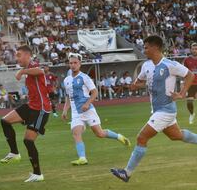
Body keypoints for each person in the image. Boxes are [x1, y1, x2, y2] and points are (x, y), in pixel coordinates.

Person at [111, 35, 197, 182]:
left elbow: (189, 75)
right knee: (176, 135)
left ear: (155, 47)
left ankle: (127, 173)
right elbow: (141, 82)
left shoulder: (170, 64)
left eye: (146, 47)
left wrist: (182, 93)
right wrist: (134, 85)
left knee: (141, 137)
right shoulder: (146, 65)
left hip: (166, 110)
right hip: (157, 110)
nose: (144, 50)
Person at [62, 56, 131, 166]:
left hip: (88, 110)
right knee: (76, 133)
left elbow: (94, 92)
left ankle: (119, 137)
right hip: (76, 113)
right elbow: (68, 97)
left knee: (99, 133)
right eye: (71, 63)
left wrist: (87, 103)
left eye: (75, 62)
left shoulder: (85, 78)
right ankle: (82, 158)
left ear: (79, 64)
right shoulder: (66, 80)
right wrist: (65, 110)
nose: (73, 65)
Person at [0, 45, 51, 182]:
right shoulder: (28, 69)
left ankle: (38, 174)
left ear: (27, 55)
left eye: (19, 55)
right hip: (31, 106)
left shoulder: (34, 65)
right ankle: (14, 152)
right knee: (4, 121)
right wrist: (24, 71)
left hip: (41, 110)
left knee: (28, 141)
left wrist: (22, 71)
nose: (17, 58)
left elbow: (40, 70)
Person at [183, 42, 197, 124]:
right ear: (190, 49)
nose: (195, 50)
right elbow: (184, 72)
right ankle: (192, 114)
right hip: (192, 83)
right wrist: (183, 82)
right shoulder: (187, 60)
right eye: (193, 49)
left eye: (196, 49)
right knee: (189, 102)